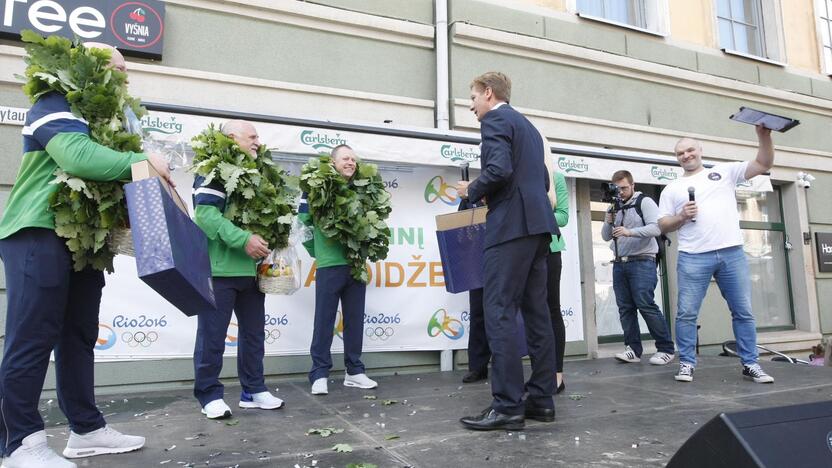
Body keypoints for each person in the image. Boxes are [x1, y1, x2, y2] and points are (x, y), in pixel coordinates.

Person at [0, 43, 161, 468]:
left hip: (84, 242)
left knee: (78, 336)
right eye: (116, 68)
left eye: (127, 70)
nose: (124, 78)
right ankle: (20, 444)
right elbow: (77, 156)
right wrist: (146, 161)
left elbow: (112, 173)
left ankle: (86, 430)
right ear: (86, 66)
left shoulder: (106, 120)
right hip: (39, 229)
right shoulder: (54, 100)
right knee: (31, 337)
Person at [455, 72, 558, 431]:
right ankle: (541, 400)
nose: (471, 105)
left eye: (472, 97)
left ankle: (507, 406)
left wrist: (473, 189)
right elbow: (542, 181)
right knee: (536, 313)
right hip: (537, 227)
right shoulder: (528, 127)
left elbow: (498, 169)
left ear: (488, 93)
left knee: (498, 309)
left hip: (511, 227)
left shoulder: (496, 119)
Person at [658, 127, 775, 384]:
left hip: (732, 252)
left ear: (700, 150)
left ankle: (750, 364)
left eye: (690, 150)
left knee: (743, 311)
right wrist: (681, 216)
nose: (686, 155)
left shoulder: (724, 172)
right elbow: (663, 224)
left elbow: (764, 163)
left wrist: (764, 136)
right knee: (686, 313)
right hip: (692, 256)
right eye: (680, 153)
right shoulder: (672, 188)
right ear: (676, 158)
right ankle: (687, 363)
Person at [192, 120, 284, 419]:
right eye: (252, 136)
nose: (258, 141)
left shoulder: (258, 176)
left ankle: (253, 390)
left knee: (254, 336)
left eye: (258, 136)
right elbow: (205, 215)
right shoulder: (215, 170)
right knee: (213, 336)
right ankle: (208, 395)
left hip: (252, 273)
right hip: (219, 272)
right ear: (231, 138)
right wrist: (243, 240)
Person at [301, 144, 378, 395]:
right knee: (324, 319)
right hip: (329, 264)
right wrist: (318, 252)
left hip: (356, 264)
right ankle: (319, 373)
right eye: (345, 158)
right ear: (332, 162)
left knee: (355, 318)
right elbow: (303, 224)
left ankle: (354, 371)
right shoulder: (316, 187)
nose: (351, 163)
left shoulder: (363, 189)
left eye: (354, 159)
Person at [601, 170, 676, 366]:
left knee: (645, 304)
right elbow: (606, 236)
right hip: (619, 262)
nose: (622, 192)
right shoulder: (613, 207)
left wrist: (629, 232)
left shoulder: (645, 202)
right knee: (625, 308)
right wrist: (609, 221)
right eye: (618, 189)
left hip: (642, 261)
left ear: (633, 185)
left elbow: (657, 228)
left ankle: (666, 348)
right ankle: (633, 350)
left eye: (625, 188)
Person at [547, 164, 570, 392]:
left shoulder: (556, 178)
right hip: (522, 251)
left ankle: (556, 376)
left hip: (549, 250)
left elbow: (562, 217)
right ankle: (540, 373)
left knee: (551, 309)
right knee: (531, 315)